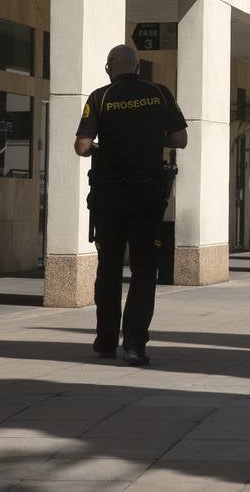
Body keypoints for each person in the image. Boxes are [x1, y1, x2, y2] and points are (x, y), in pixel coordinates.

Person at [75, 44, 188, 366]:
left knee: (108, 267)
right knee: (143, 270)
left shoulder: (100, 97)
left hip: (109, 195)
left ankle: (106, 339)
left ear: (111, 66)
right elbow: (180, 139)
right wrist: (152, 139)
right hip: (147, 195)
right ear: (137, 67)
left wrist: (108, 141)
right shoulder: (160, 93)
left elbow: (82, 146)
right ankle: (135, 344)